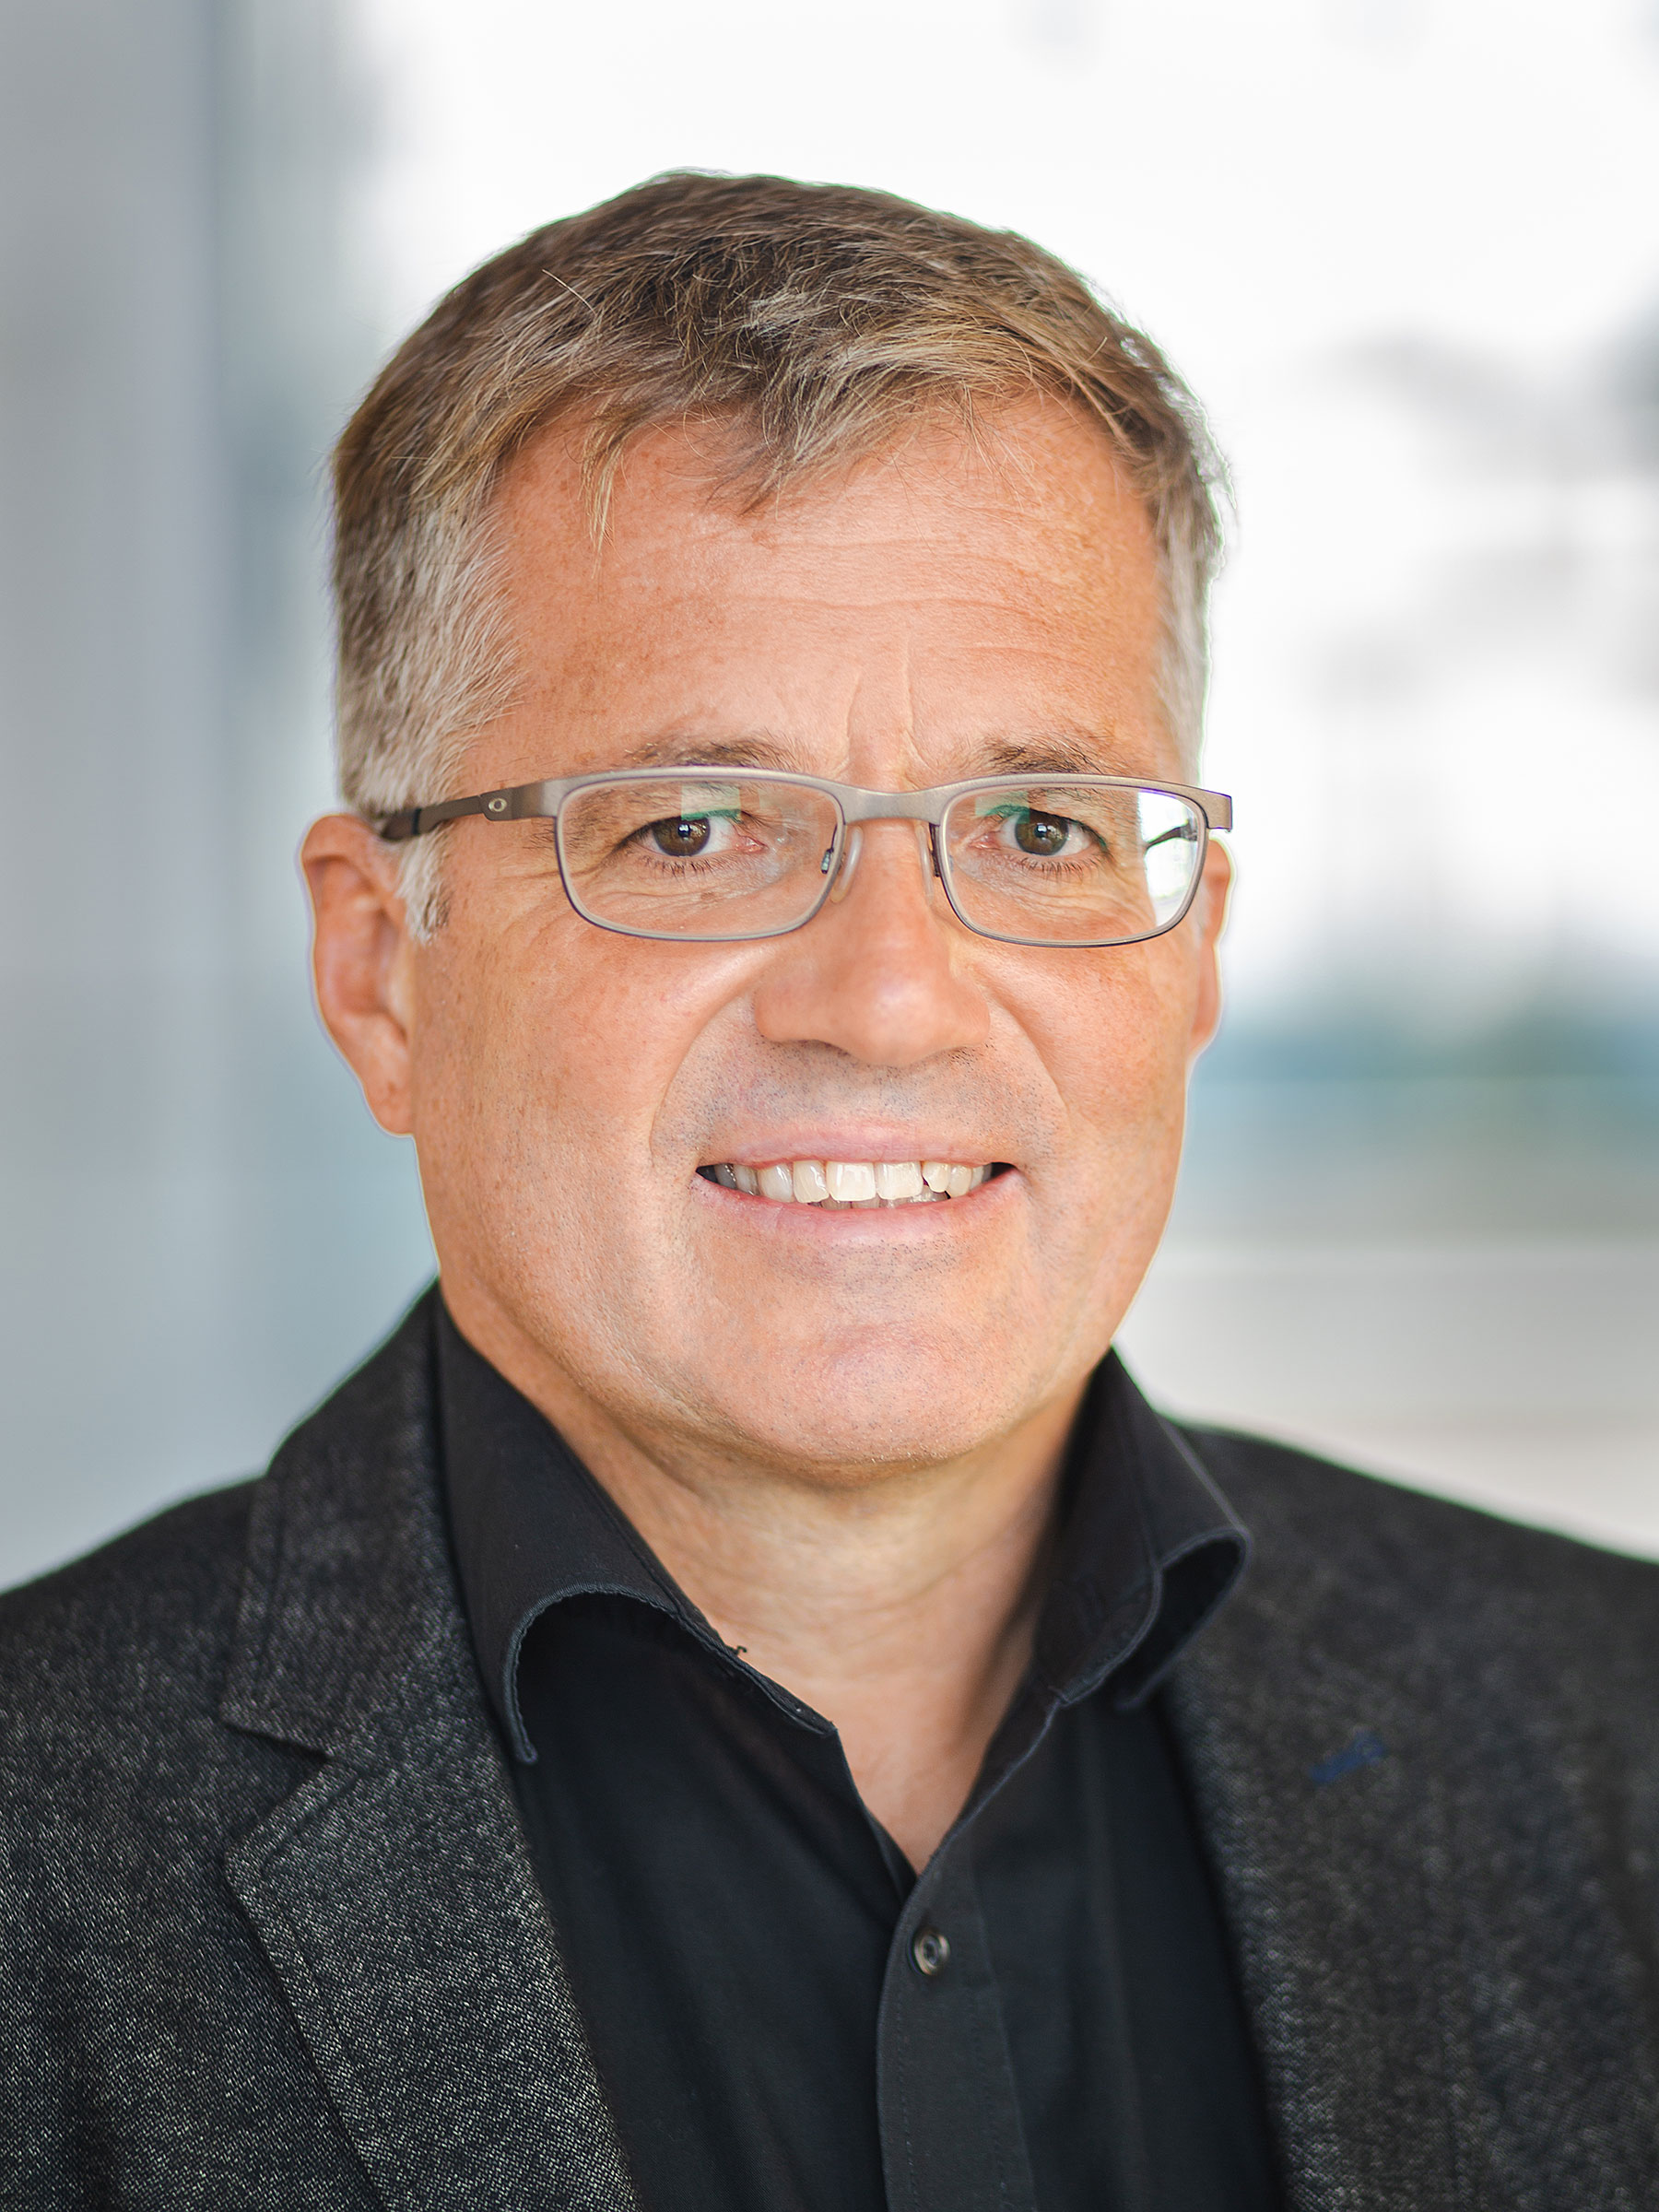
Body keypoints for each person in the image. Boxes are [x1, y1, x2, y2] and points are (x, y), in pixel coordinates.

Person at [3, 171, 1655, 2212]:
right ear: (380, 972)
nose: (887, 1002)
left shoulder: (1616, 1739)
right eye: (696, 829)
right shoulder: (34, 1857)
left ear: (1197, 952)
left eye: (1037, 826)